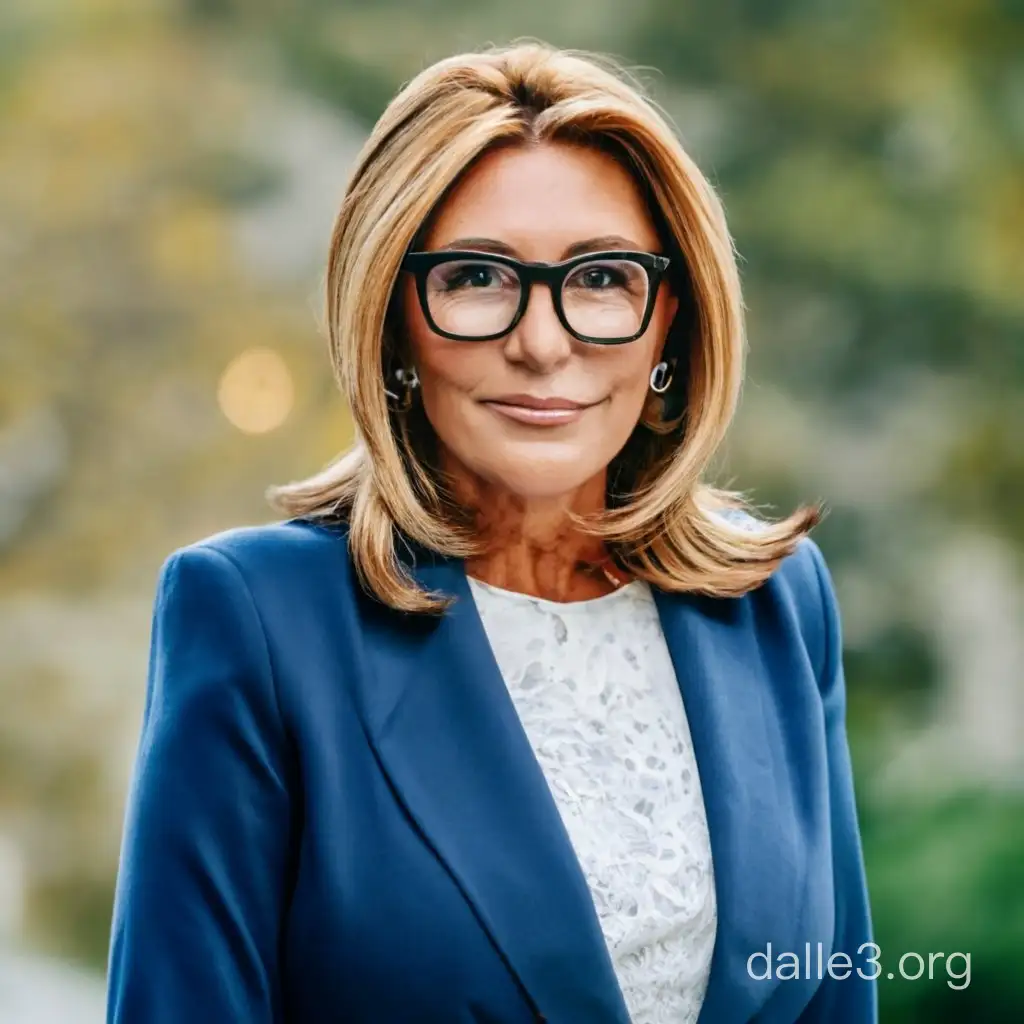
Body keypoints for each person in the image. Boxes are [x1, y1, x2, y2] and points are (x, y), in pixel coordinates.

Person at [105, 42, 876, 1024]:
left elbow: (836, 996)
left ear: (666, 323)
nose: (543, 341)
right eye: (476, 276)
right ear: (392, 321)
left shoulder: (775, 601)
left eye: (600, 279)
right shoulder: (257, 619)